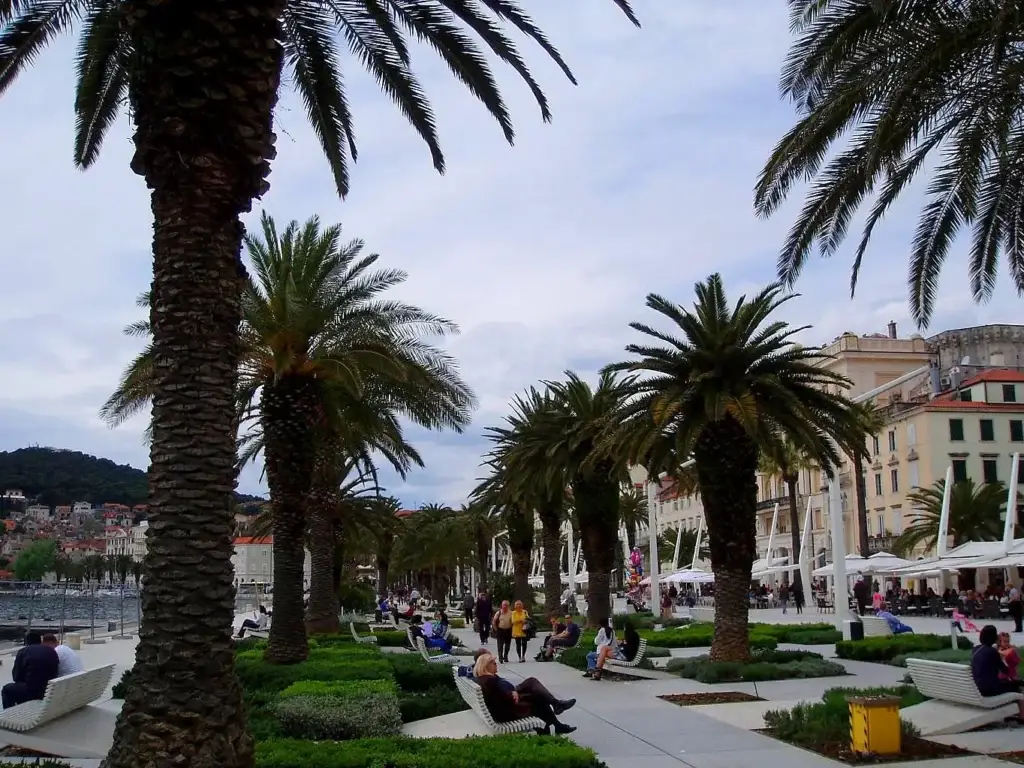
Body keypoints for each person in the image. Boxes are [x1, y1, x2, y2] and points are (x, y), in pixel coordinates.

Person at [473, 652, 576, 735]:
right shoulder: (489, 681)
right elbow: (504, 700)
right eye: (493, 663)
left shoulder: (485, 678)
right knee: (538, 699)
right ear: (485, 666)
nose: (496, 664)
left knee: (533, 685)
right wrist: (513, 694)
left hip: (504, 707)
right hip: (507, 713)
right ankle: (556, 718)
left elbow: (500, 697)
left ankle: (557, 718)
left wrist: (512, 692)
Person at [973, 625, 1024, 721]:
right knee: (1017, 684)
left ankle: (1012, 712)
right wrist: (1004, 657)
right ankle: (1022, 716)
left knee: (1009, 683)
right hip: (989, 689)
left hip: (977, 687)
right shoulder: (992, 652)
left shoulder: (975, 649)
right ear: (994, 638)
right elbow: (1006, 670)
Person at [2, 632, 59, 709]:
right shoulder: (52, 651)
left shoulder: (23, 652)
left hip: (34, 692)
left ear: (27, 642)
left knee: (6, 689)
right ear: (40, 641)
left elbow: (16, 677)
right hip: (49, 689)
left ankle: (9, 715)